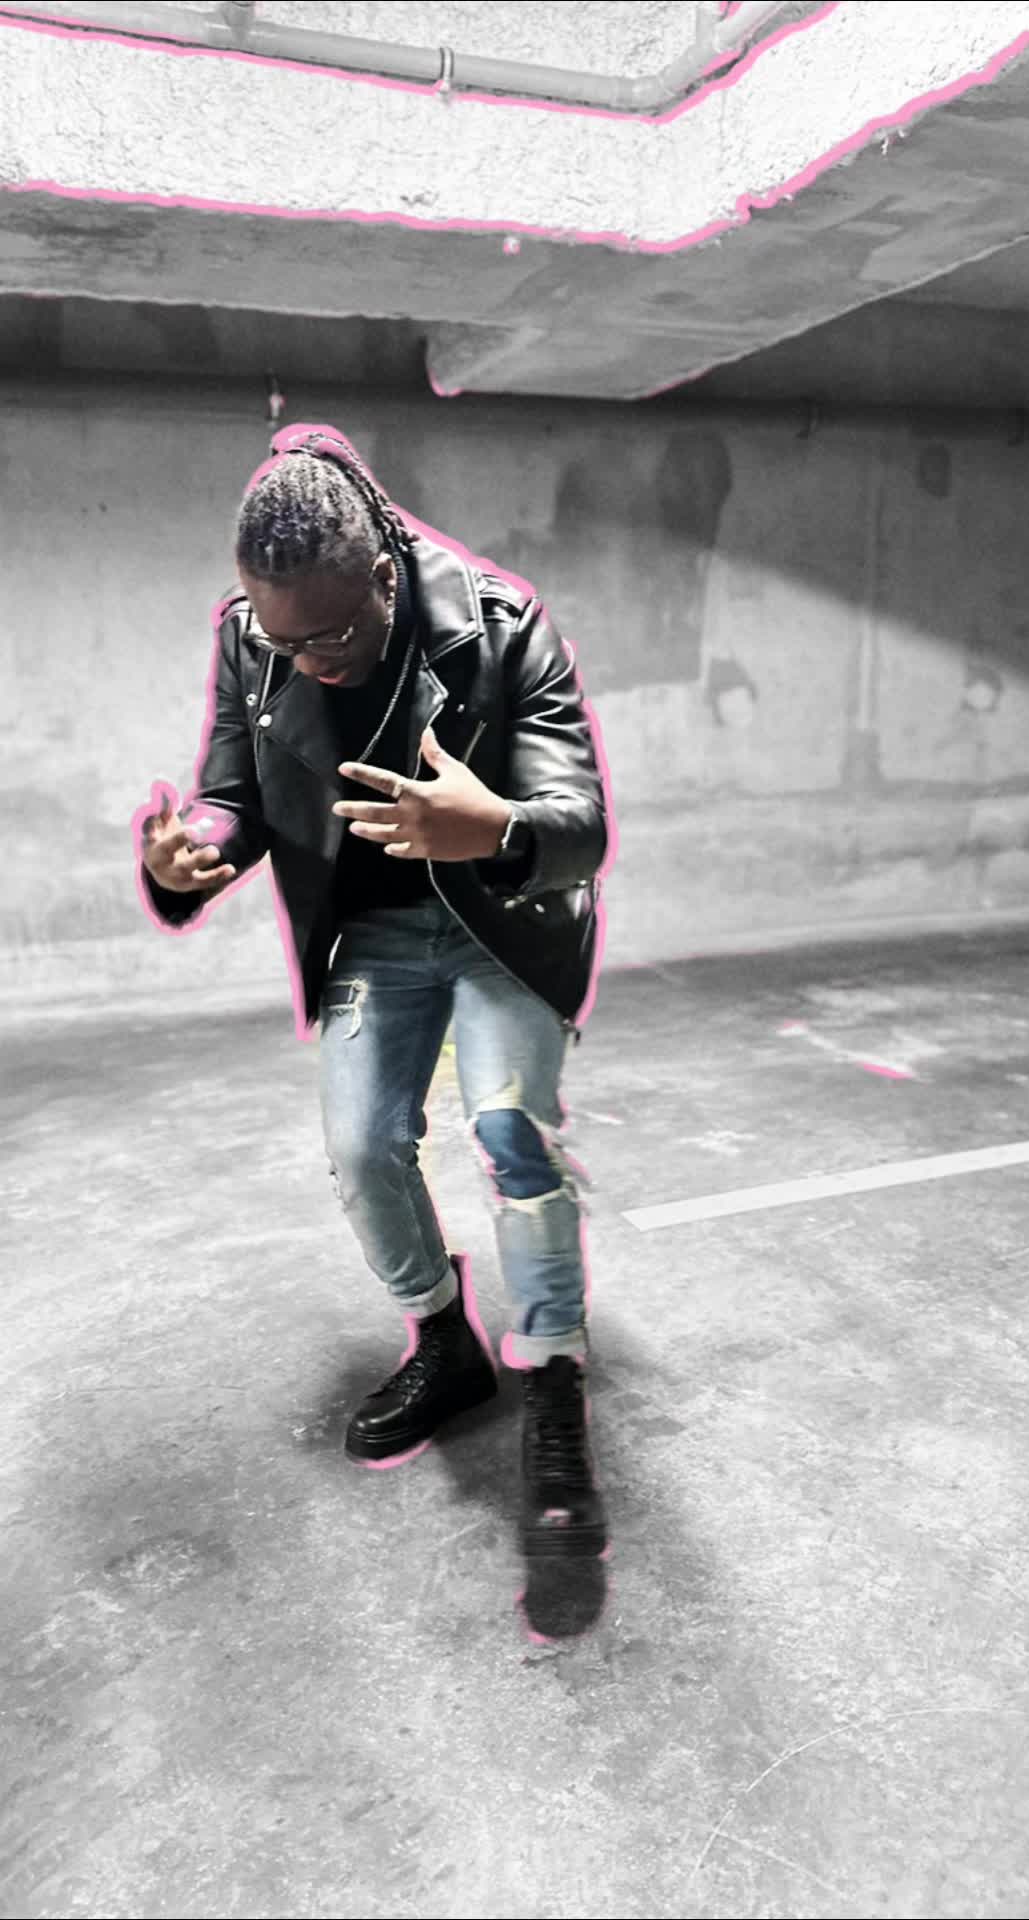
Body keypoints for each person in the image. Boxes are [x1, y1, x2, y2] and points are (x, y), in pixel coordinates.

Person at [138, 422, 610, 1560]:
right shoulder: (256, 635)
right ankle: (445, 1344)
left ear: (386, 578)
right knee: (360, 1150)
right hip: (375, 933)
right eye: (284, 638)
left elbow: (580, 824)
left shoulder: (502, 624)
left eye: (334, 633)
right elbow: (234, 792)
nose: (309, 662)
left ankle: (552, 1378)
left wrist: (493, 827)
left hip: (501, 923)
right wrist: (195, 852)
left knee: (511, 1128)